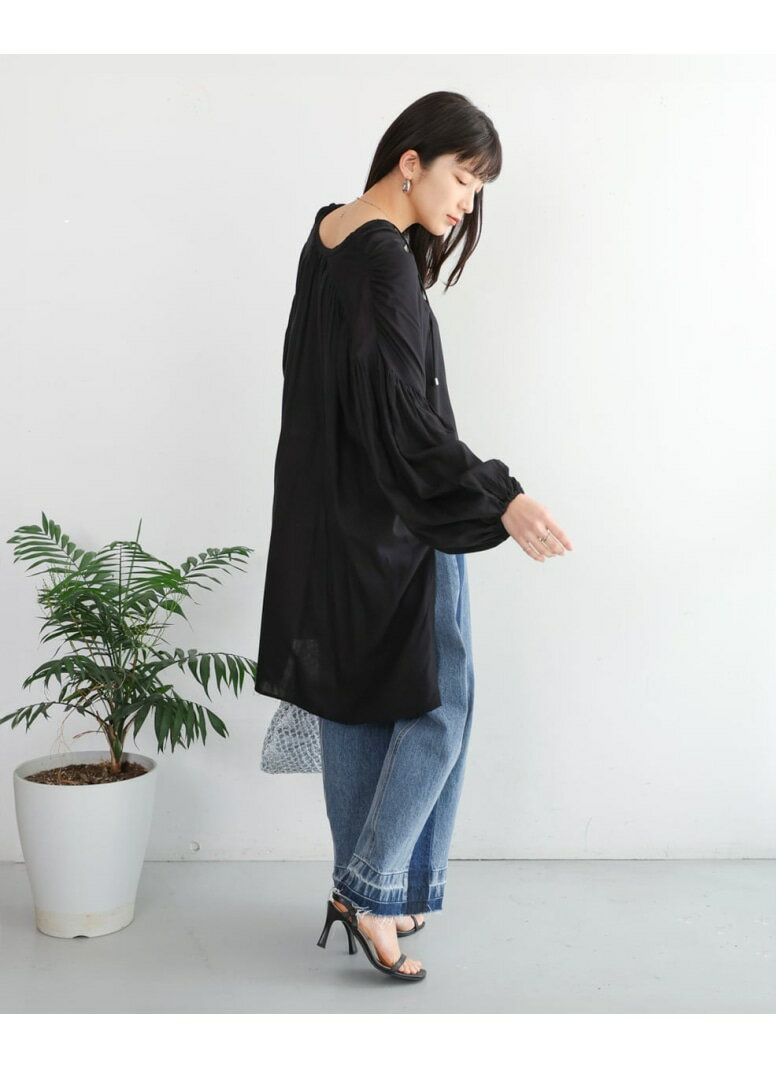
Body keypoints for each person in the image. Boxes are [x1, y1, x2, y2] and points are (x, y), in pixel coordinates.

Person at [255, 90, 573, 982]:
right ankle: (371, 889)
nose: (467, 202)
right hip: (398, 519)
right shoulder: (384, 261)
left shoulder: (329, 234)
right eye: (463, 178)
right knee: (442, 701)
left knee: (359, 704)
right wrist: (499, 496)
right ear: (411, 162)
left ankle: (365, 889)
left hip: (331, 519)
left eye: (478, 188)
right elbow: (405, 416)